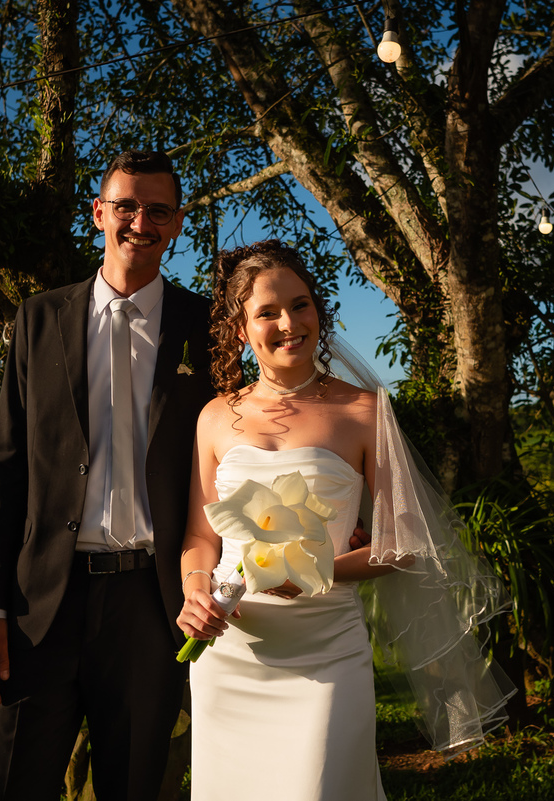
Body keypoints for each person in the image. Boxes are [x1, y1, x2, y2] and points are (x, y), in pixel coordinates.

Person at [178, 240, 515, 801]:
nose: (289, 323)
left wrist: (317, 572)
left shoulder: (364, 411)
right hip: (233, 651)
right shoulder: (215, 417)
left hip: (327, 649)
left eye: (301, 304)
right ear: (240, 329)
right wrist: (195, 591)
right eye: (267, 312)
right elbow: (199, 534)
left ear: (318, 311)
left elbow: (404, 541)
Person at [0, 149, 215, 800]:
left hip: (150, 607)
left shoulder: (207, 328)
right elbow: (6, 466)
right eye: (126, 206)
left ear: (177, 223)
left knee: (134, 786)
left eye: (158, 210)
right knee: (14, 785)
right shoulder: (39, 318)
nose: (140, 221)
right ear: (98, 212)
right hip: (39, 602)